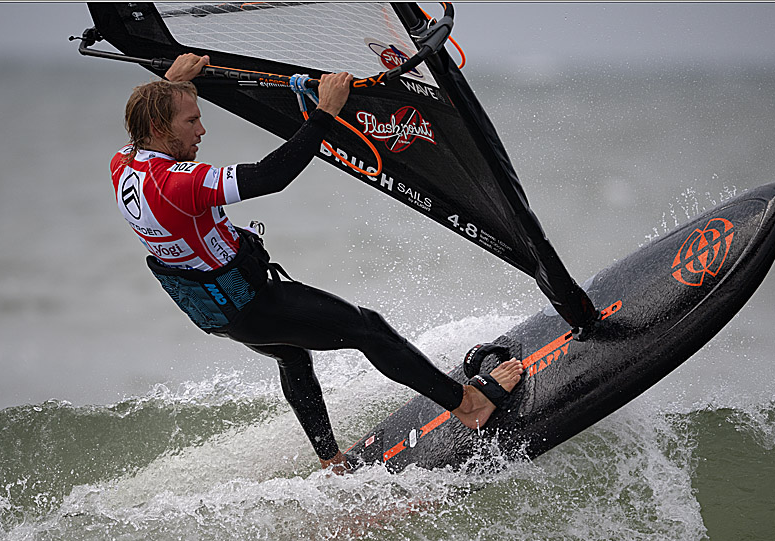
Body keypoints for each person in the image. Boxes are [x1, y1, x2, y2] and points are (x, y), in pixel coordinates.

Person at [111, 53, 523, 472]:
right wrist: (326, 110)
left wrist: (170, 85)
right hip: (253, 302)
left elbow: (147, 126)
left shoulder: (124, 164)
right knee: (368, 329)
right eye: (190, 121)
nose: (202, 129)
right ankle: (469, 404)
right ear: (161, 128)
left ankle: (331, 460)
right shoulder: (179, 184)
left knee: (291, 354)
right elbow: (272, 176)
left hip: (218, 312)